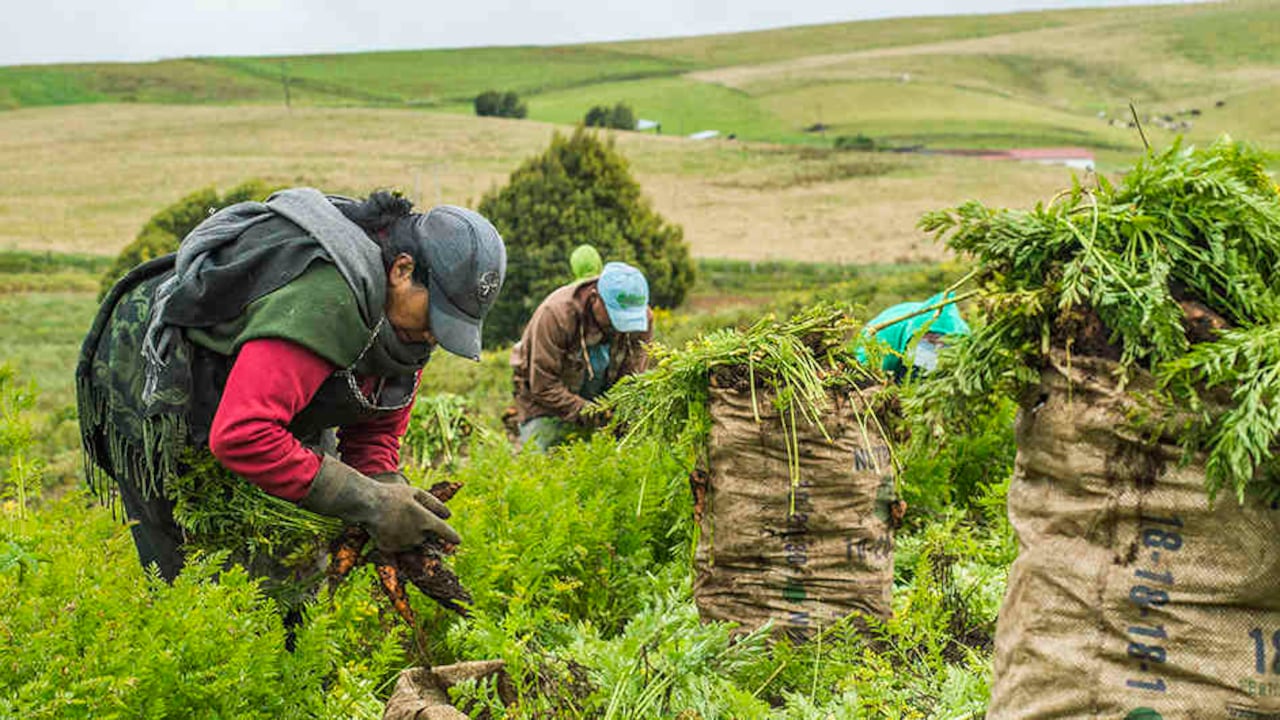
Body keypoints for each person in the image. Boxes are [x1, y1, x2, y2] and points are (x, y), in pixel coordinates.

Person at [77, 188, 506, 589]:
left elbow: (375, 429)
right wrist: (370, 503)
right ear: (402, 270)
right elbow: (243, 434)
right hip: (162, 368)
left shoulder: (408, 330)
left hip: (266, 385)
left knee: (298, 561)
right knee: (195, 561)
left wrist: (386, 490)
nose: (436, 334)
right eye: (437, 315)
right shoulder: (327, 298)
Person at [510, 261, 652, 451]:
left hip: (602, 397)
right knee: (540, 462)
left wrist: (618, 414)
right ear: (595, 299)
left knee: (626, 455)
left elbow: (632, 377)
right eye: (615, 316)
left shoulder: (640, 320)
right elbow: (543, 386)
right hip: (545, 403)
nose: (621, 327)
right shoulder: (556, 315)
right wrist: (593, 412)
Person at [860, 290, 970, 380]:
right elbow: (863, 371)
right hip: (892, 340)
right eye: (931, 340)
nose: (936, 347)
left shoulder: (961, 332)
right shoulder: (880, 340)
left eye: (942, 342)